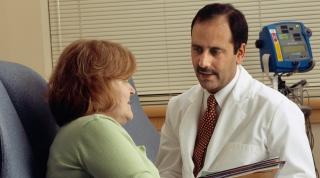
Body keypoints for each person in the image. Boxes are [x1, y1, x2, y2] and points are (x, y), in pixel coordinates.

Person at [156, 3, 316, 178]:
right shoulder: (177, 107)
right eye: (197, 49)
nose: (203, 62)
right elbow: (168, 172)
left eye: (215, 51)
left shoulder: (277, 110)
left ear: (240, 53)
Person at [46, 39, 160, 178]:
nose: (132, 91)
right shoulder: (93, 127)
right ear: (96, 85)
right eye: (124, 80)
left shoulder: (82, 129)